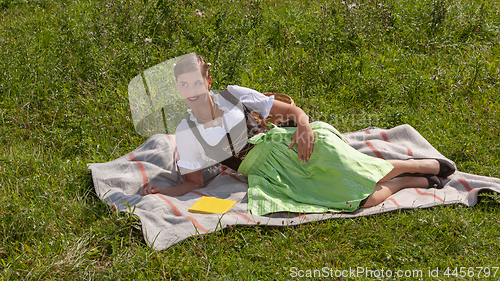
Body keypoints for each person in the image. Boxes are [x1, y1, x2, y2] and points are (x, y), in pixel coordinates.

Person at [140, 54, 455, 215]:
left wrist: (303, 126)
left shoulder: (233, 95)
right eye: (184, 85)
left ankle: (423, 164)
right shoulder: (187, 132)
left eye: (197, 82)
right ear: (177, 89)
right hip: (270, 173)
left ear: (207, 81)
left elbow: (293, 113)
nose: (191, 91)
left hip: (290, 142)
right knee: (350, 200)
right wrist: (163, 192)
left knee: (348, 165)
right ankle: (411, 180)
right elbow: (193, 183)